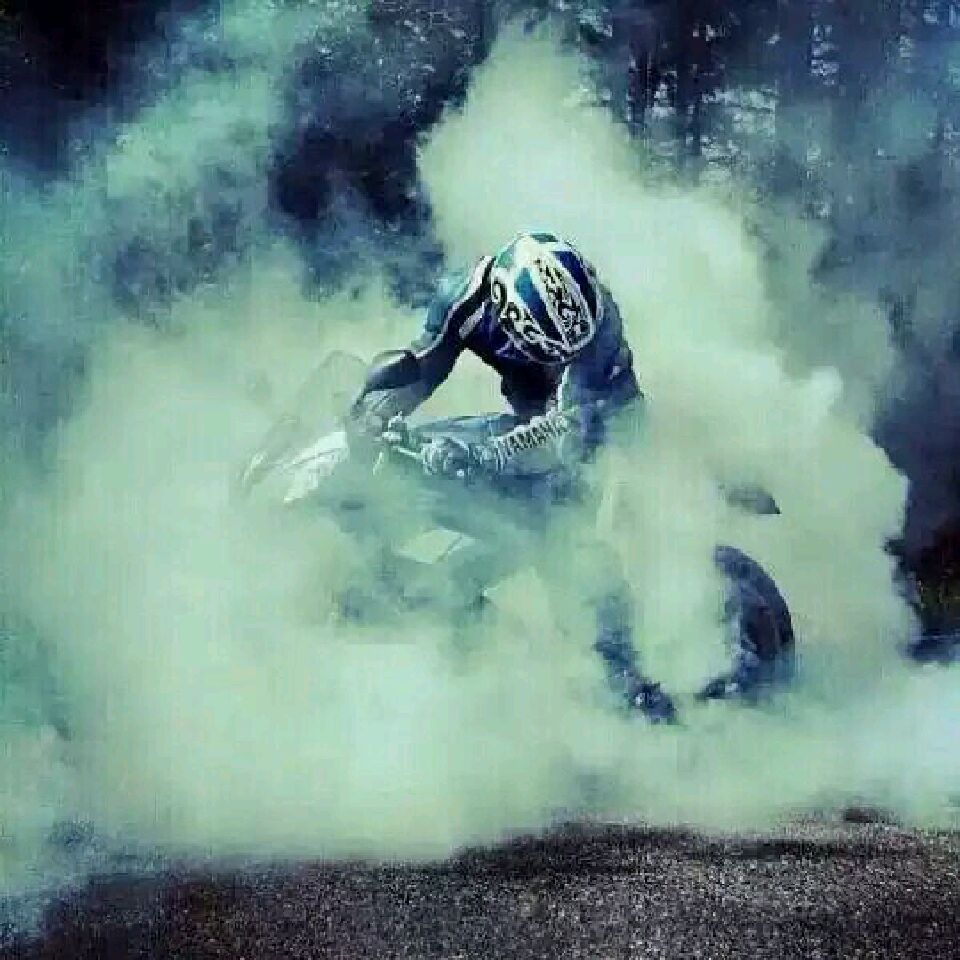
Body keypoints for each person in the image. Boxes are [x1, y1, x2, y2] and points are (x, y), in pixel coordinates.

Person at [346, 231, 677, 723]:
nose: (556, 359)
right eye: (546, 349)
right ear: (507, 311)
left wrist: (485, 456)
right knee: (420, 461)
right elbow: (423, 366)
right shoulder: (463, 296)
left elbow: (564, 431)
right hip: (528, 415)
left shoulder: (595, 329)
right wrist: (374, 412)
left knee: (569, 542)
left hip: (598, 420)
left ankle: (629, 689)